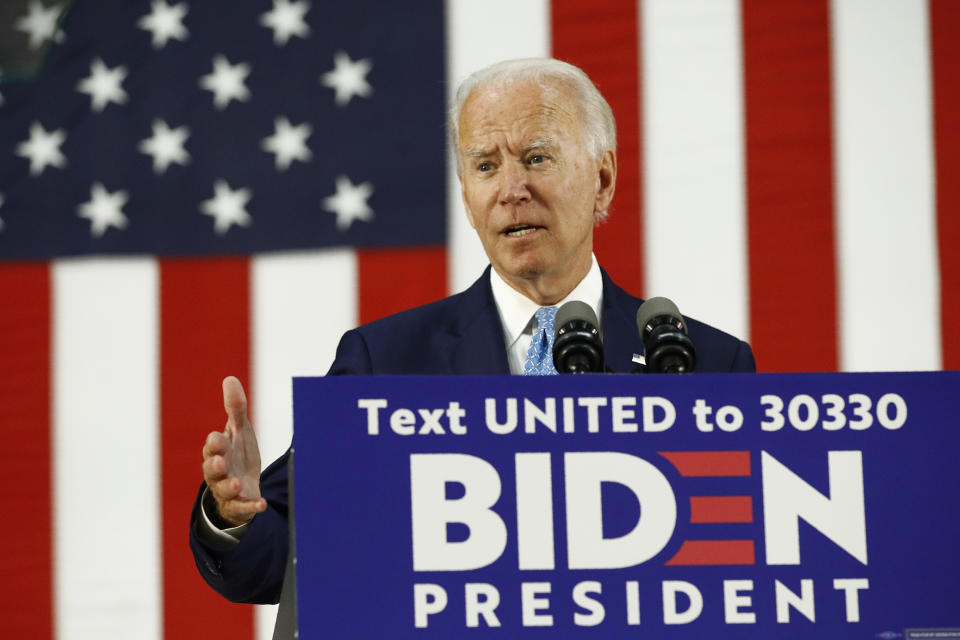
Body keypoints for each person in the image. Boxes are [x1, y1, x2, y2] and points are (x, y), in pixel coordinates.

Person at [190, 57, 756, 606]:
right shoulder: (385, 362)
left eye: (537, 158)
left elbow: (749, 563)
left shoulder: (704, 363)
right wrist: (235, 514)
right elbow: (282, 559)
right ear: (466, 195)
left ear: (602, 179)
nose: (512, 189)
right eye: (485, 166)